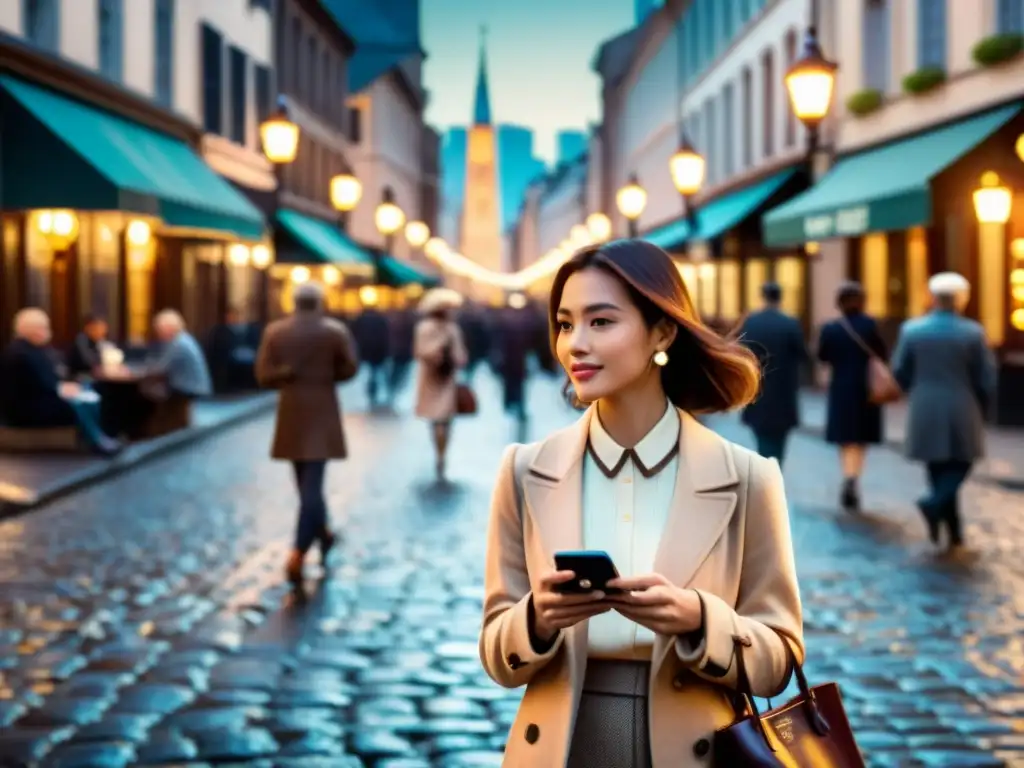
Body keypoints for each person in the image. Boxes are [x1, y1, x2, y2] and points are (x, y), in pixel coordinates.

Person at [479, 240, 803, 768]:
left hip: (696, 751)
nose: (574, 345)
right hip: (562, 748)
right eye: (564, 324)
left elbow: (779, 658)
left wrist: (699, 619)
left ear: (662, 332)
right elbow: (496, 651)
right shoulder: (524, 471)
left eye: (601, 322)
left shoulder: (748, 478)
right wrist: (537, 618)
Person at [255, 282, 360, 587]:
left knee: (305, 484)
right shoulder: (334, 331)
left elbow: (263, 375)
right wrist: (325, 375)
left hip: (291, 413)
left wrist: (287, 374)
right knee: (311, 486)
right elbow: (350, 369)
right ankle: (318, 539)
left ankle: (299, 551)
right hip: (322, 411)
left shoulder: (275, 332)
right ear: (319, 302)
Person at [891, 272, 996, 553]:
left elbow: (900, 370)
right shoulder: (972, 332)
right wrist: (985, 406)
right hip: (962, 404)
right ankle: (937, 508)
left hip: (924, 404)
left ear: (932, 297)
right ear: (961, 299)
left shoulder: (913, 330)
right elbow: (985, 376)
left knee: (937, 467)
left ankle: (951, 529)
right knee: (960, 463)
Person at [1, 308, 121, 455]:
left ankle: (99, 437)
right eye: (42, 327)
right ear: (29, 329)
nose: (46, 332)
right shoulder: (19, 353)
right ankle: (97, 441)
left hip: (40, 400)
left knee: (87, 395)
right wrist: (61, 388)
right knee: (77, 404)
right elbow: (38, 385)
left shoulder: (35, 349)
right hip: (27, 409)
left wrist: (63, 386)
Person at [816, 282, 887, 511]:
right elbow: (883, 353)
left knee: (846, 438)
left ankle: (848, 476)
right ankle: (854, 477)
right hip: (867, 389)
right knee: (861, 437)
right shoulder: (870, 325)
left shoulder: (831, 328)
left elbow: (822, 356)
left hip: (841, 389)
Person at [738, 281, 809, 465]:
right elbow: (803, 354)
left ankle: (767, 470)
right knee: (779, 441)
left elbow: (741, 353)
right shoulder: (790, 323)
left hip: (758, 389)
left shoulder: (751, 323)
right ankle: (774, 470)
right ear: (780, 298)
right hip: (784, 392)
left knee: (762, 439)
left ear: (763, 297)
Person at [413, 288, 468, 482]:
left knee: (434, 420)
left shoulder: (423, 328)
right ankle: (442, 453)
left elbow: (419, 351)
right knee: (446, 418)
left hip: (429, 378)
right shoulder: (452, 329)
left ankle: (438, 451)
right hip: (446, 379)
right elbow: (461, 357)